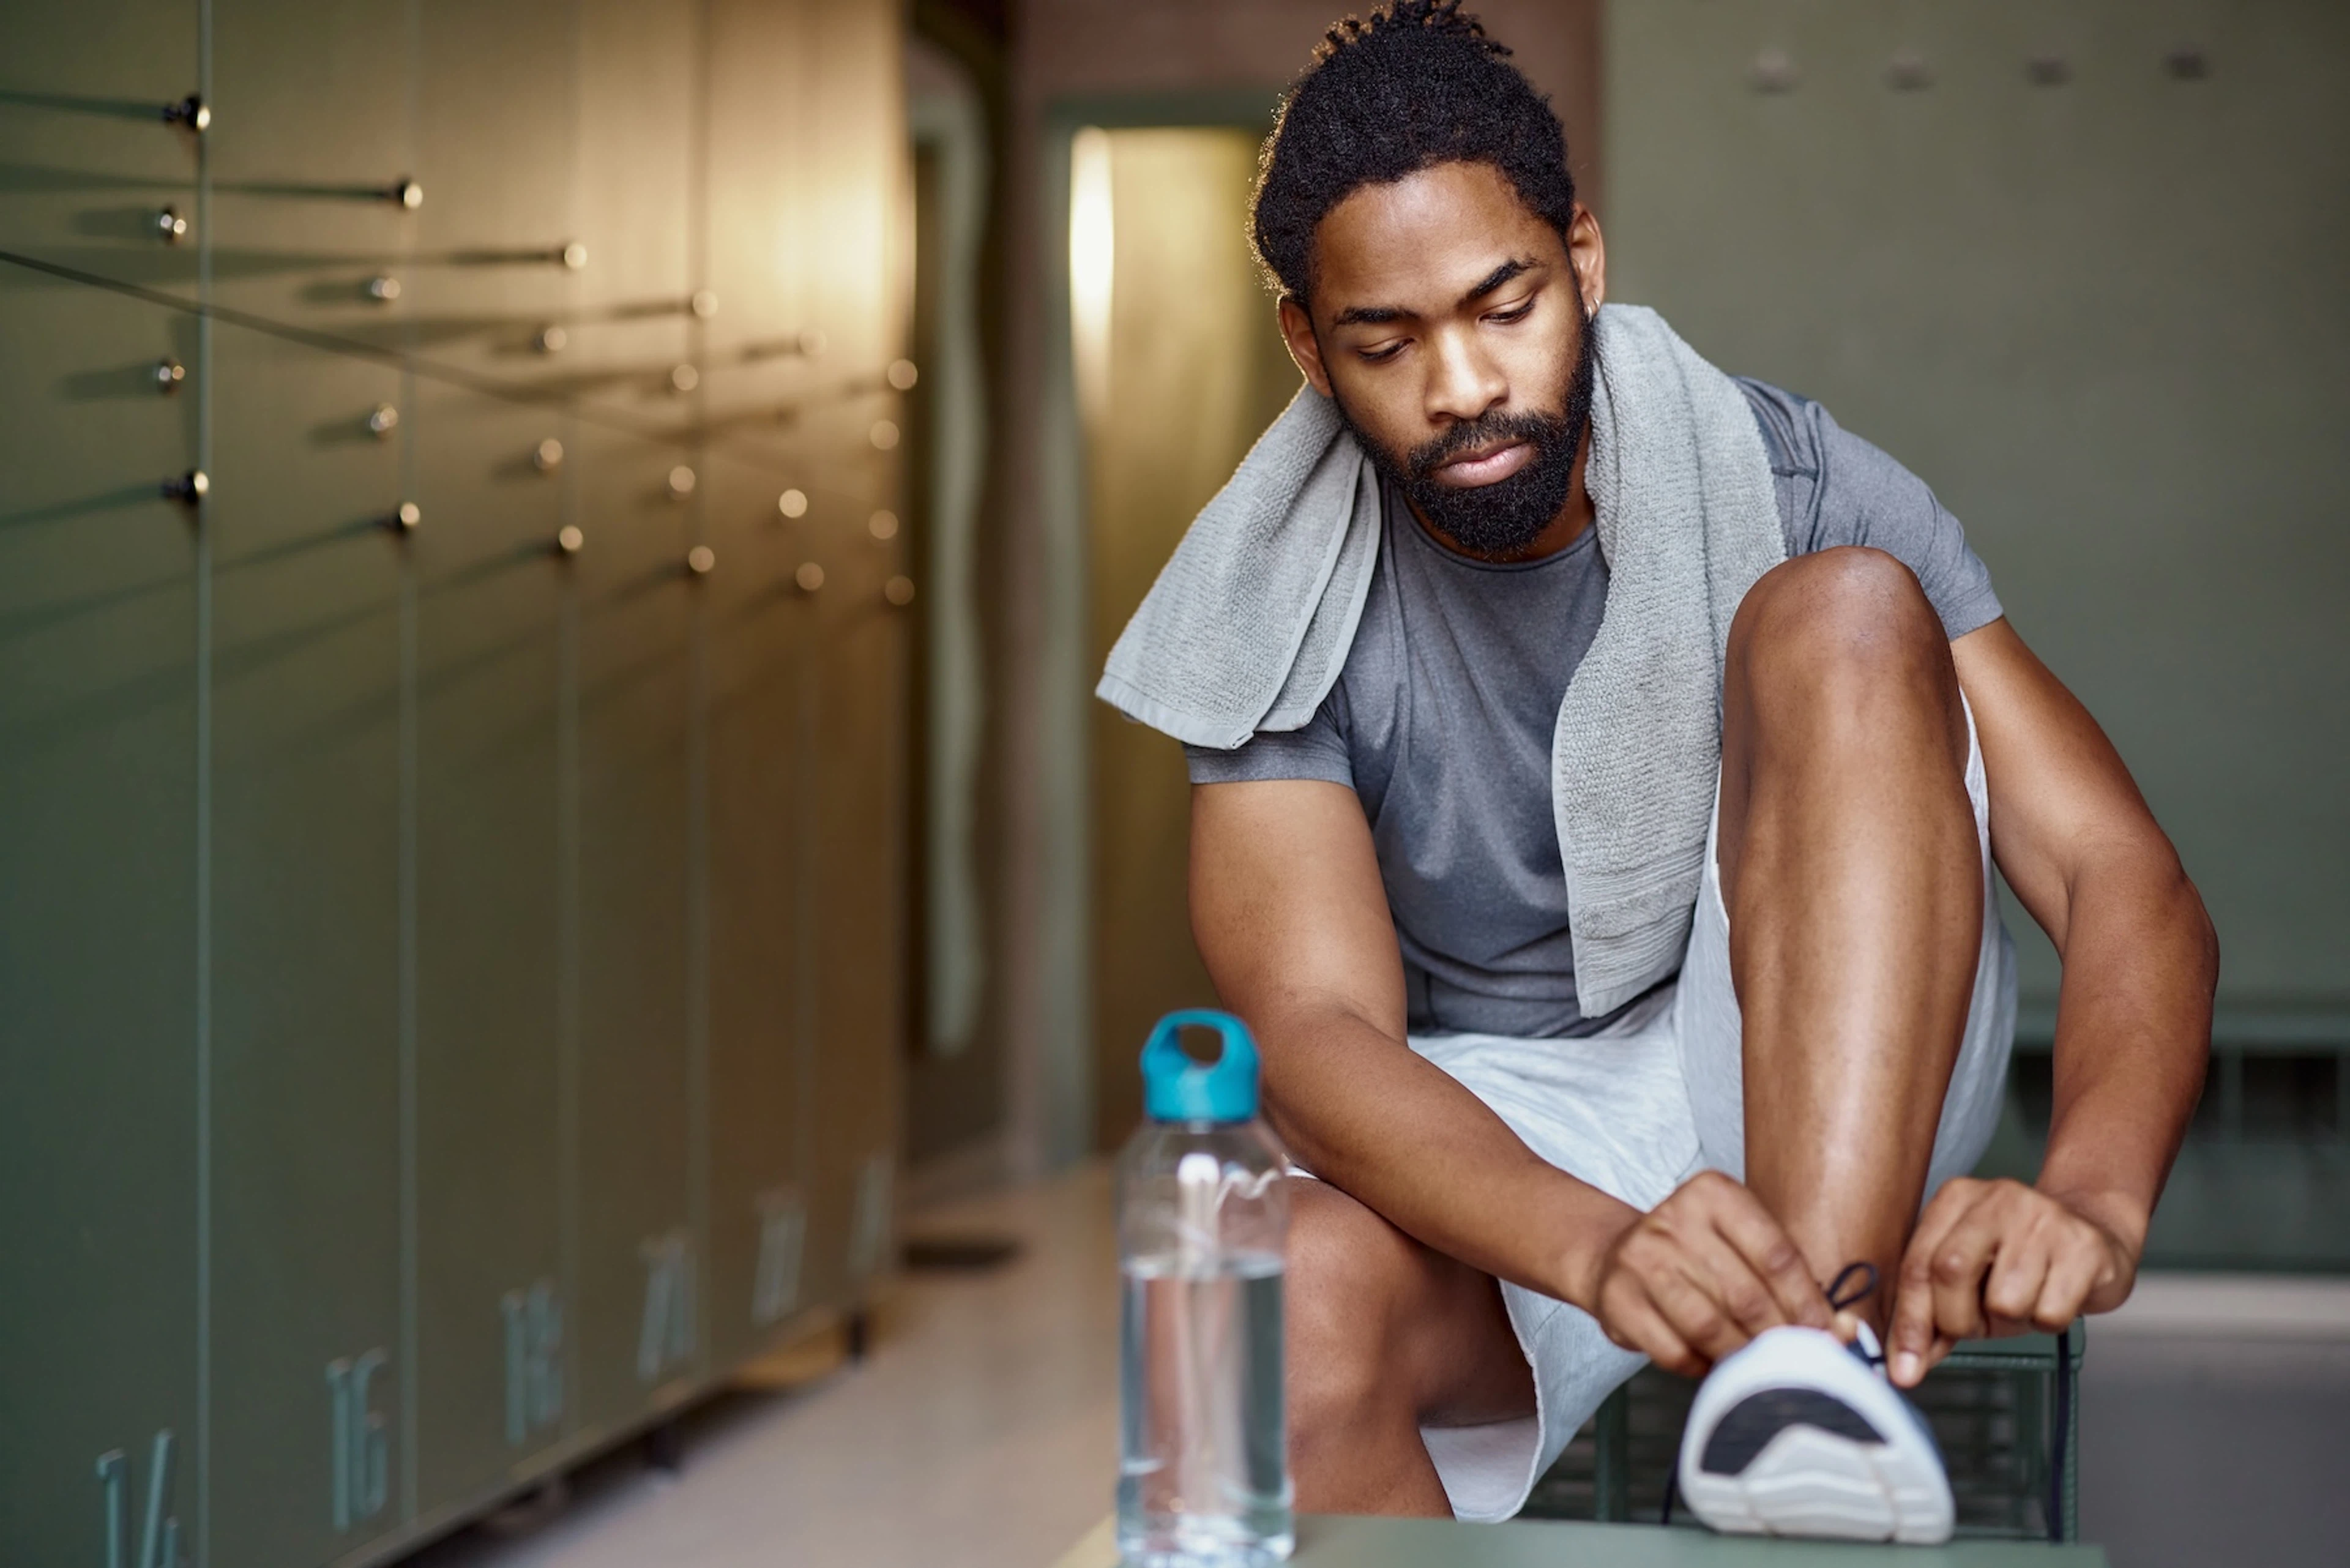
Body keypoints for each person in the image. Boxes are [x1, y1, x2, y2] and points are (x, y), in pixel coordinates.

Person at [1094, 0, 2217, 1544]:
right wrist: (1601, 1247)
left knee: (1843, 607)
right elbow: (1317, 1032)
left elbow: (2116, 872)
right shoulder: (1270, 596)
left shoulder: (1798, 476)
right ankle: (1771, 1375)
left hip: (1824, 1013)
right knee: (1259, 1314)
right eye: (1388, 340)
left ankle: (1810, 1370)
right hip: (1509, 1101)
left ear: (1586, 260)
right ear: (1308, 342)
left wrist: (2093, 1194)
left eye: (1508, 305)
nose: (1466, 385)